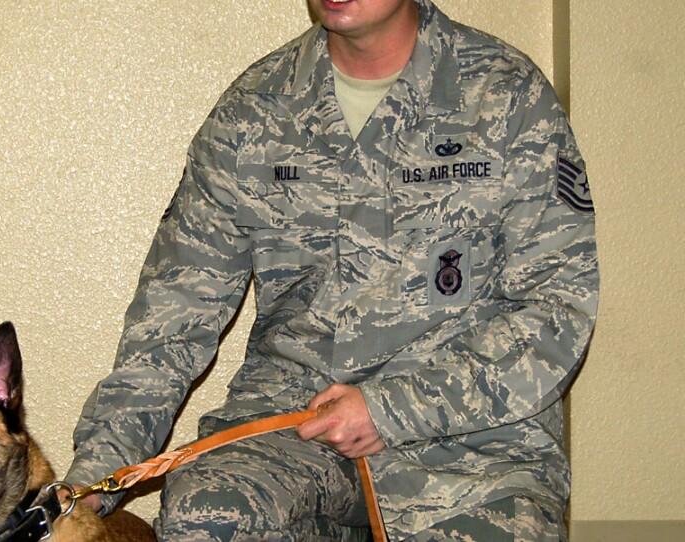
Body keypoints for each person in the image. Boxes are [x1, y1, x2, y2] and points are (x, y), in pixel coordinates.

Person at [65, 0, 599, 540]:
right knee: (208, 517)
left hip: (473, 446)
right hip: (296, 421)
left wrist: (392, 409)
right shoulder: (255, 109)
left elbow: (556, 312)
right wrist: (92, 482)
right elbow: (175, 312)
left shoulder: (504, 94)